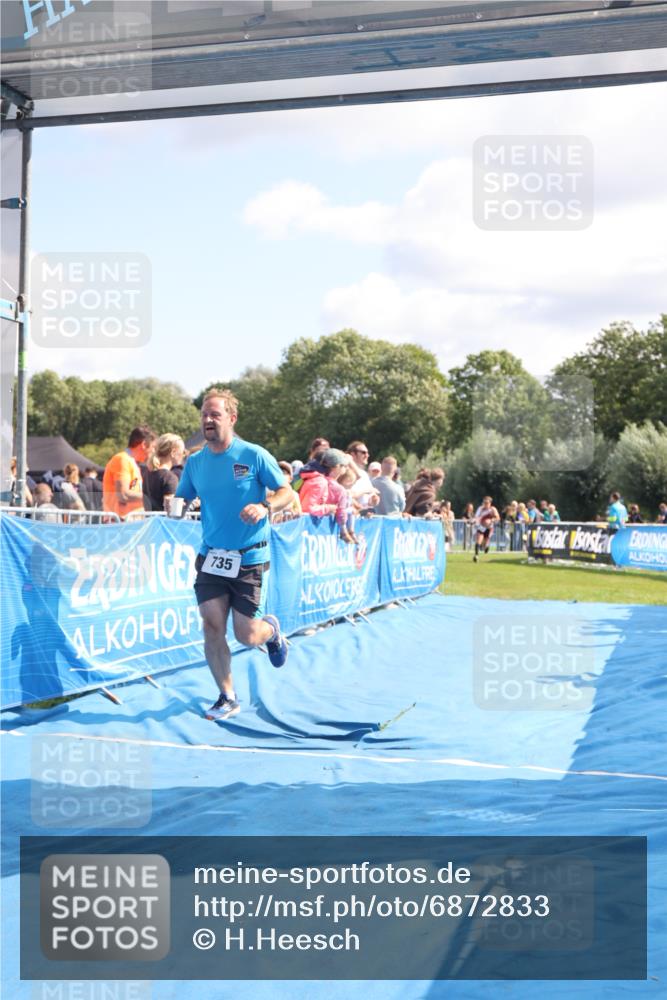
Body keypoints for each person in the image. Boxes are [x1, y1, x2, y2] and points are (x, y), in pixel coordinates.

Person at [174, 388, 293, 722]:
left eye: (215, 414)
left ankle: (270, 631)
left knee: (246, 634)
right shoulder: (195, 462)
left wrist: (264, 505)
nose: (208, 420)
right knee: (212, 626)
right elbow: (183, 498)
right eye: (204, 415)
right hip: (211, 556)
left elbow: (287, 492)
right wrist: (178, 504)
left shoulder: (253, 455)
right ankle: (227, 697)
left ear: (231, 418)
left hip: (249, 558)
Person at [300, 448, 357, 543]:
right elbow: (341, 513)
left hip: (306, 530)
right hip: (314, 532)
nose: (346, 468)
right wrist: (329, 508)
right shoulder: (330, 486)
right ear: (336, 467)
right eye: (344, 465)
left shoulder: (312, 478)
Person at [103, 426, 156, 519]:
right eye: (152, 447)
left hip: (127, 521)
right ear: (144, 444)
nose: (153, 451)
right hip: (119, 522)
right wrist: (150, 498)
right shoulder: (122, 459)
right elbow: (123, 494)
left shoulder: (131, 462)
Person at [146, 434, 186, 512]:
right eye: (182, 452)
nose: (183, 455)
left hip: (150, 521)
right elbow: (171, 511)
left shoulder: (147, 474)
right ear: (173, 452)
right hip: (163, 523)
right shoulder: (170, 477)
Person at [346, 441, 380, 512]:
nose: (367, 455)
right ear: (353, 454)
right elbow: (348, 495)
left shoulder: (364, 474)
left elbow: (369, 500)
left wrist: (374, 500)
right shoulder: (347, 472)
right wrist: (367, 491)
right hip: (351, 514)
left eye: (367, 453)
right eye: (363, 452)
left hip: (364, 515)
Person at [473, 496, 500, 562]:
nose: (485, 504)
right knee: (478, 540)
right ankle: (476, 556)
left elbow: (498, 517)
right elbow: (476, 517)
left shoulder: (493, 509)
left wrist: (493, 519)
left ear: (490, 503)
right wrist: (475, 521)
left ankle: (486, 546)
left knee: (484, 543)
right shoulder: (480, 508)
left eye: (487, 503)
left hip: (489, 528)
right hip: (481, 527)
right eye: (484, 502)